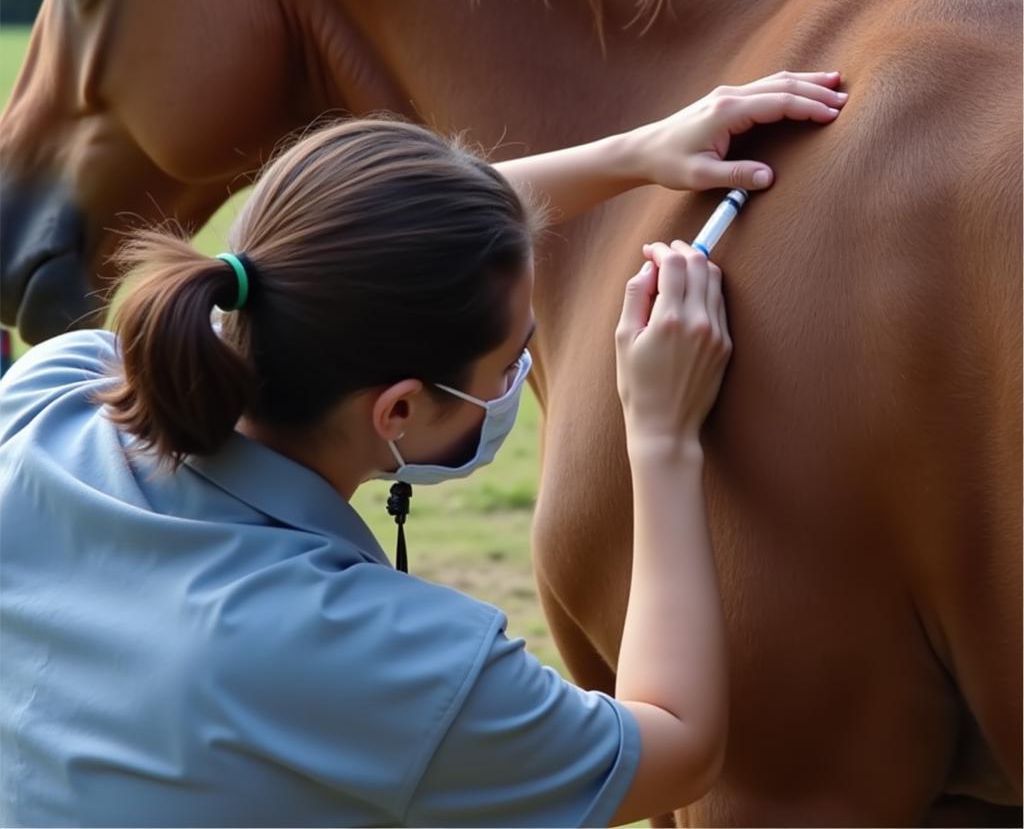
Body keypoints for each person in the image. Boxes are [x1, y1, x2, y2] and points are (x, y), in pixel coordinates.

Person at [0, 72, 847, 827]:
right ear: (399, 410)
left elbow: (338, 266)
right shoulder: (378, 660)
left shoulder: (54, 393)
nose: (522, 367)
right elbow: (675, 750)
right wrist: (660, 436)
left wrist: (636, 153)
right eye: (513, 354)